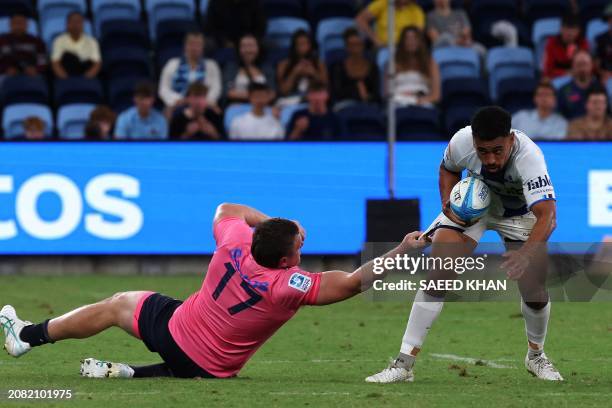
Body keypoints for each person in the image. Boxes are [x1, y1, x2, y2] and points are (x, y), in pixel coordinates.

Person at [0, 203, 426, 379]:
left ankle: (27, 336)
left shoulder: (235, 242)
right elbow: (352, 282)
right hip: (214, 367)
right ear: (284, 260)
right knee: (190, 362)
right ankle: (133, 373)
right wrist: (402, 251)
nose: (302, 244)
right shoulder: (286, 285)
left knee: (118, 305)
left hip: (174, 331)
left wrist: (274, 225)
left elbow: (227, 208)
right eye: (298, 243)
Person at [367, 106, 564, 383]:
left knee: (534, 291)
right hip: (475, 209)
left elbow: (548, 216)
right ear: (473, 142)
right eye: (483, 151)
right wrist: (447, 203)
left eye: (498, 150)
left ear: (510, 140)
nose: (491, 159)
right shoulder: (460, 141)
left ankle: (536, 356)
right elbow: (448, 169)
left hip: (520, 216)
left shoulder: (529, 158)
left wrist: (524, 254)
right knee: (439, 274)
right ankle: (404, 363)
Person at [159, 32, 222, 111]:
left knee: (216, 110)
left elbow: (216, 88)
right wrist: (177, 100)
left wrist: (204, 101)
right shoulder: (172, 64)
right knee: (168, 111)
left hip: (204, 105)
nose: (194, 48)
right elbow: (163, 88)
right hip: (178, 105)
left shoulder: (212, 66)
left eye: (198, 45)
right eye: (191, 44)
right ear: (185, 46)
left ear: (203, 47)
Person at [392, 26, 441, 107]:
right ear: (402, 41)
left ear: (420, 41)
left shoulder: (430, 62)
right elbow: (387, 92)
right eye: (407, 38)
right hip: (398, 102)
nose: (411, 41)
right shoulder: (393, 63)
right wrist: (404, 99)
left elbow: (436, 95)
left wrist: (420, 101)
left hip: (423, 102)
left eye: (414, 38)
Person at [330, 28, 379, 105]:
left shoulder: (373, 66)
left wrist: (367, 96)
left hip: (369, 106)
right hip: (345, 105)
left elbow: (377, 93)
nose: (356, 48)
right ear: (346, 47)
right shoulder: (337, 67)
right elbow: (336, 93)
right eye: (352, 45)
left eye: (358, 44)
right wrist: (357, 91)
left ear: (363, 46)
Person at [276, 30, 328, 103]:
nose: (302, 47)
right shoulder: (283, 64)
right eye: (299, 44)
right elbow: (283, 91)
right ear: (294, 46)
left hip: (313, 99)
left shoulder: (319, 63)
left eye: (305, 44)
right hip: (290, 100)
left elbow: (326, 87)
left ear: (310, 45)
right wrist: (294, 73)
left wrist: (313, 73)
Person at [223, 34, 275, 104]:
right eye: (244, 46)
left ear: (258, 48)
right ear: (239, 49)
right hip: (237, 105)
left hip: (263, 106)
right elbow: (228, 92)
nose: (248, 50)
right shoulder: (231, 67)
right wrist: (255, 97)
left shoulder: (267, 67)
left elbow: (273, 92)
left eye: (251, 46)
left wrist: (260, 100)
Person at [51, 12, 101, 79]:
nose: (75, 25)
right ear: (67, 24)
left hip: (86, 76)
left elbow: (97, 64)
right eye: (72, 22)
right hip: (66, 75)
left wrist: (85, 79)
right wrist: (66, 80)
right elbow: (55, 63)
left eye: (78, 22)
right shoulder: (59, 41)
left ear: (83, 24)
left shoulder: (92, 41)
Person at [355, 0, 425, 47]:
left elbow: (418, 33)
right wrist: (375, 39)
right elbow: (360, 19)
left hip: (405, 48)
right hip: (383, 47)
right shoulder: (382, 3)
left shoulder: (416, 10)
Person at [0, 14, 47, 80]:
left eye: (21, 23)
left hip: (31, 75)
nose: (18, 25)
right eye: (15, 23)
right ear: (10, 24)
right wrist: (5, 70)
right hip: (5, 75)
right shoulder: (2, 41)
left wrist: (36, 69)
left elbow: (42, 61)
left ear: (27, 24)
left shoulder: (37, 42)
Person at [543, 13, 588, 79]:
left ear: (579, 31)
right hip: (556, 79)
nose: (570, 33)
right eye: (567, 28)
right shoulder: (551, 43)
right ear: (561, 29)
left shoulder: (583, 43)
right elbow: (547, 71)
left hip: (578, 78)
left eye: (573, 29)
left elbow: (587, 67)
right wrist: (565, 73)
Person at [557, 50, 599, 119]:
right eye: (578, 64)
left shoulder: (600, 88)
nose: (582, 68)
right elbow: (559, 117)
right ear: (572, 66)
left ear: (591, 66)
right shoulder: (564, 90)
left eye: (585, 64)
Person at [594, 3, 612, 83]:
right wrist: (602, 73)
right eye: (611, 19)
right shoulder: (600, 39)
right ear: (608, 21)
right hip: (606, 75)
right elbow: (596, 63)